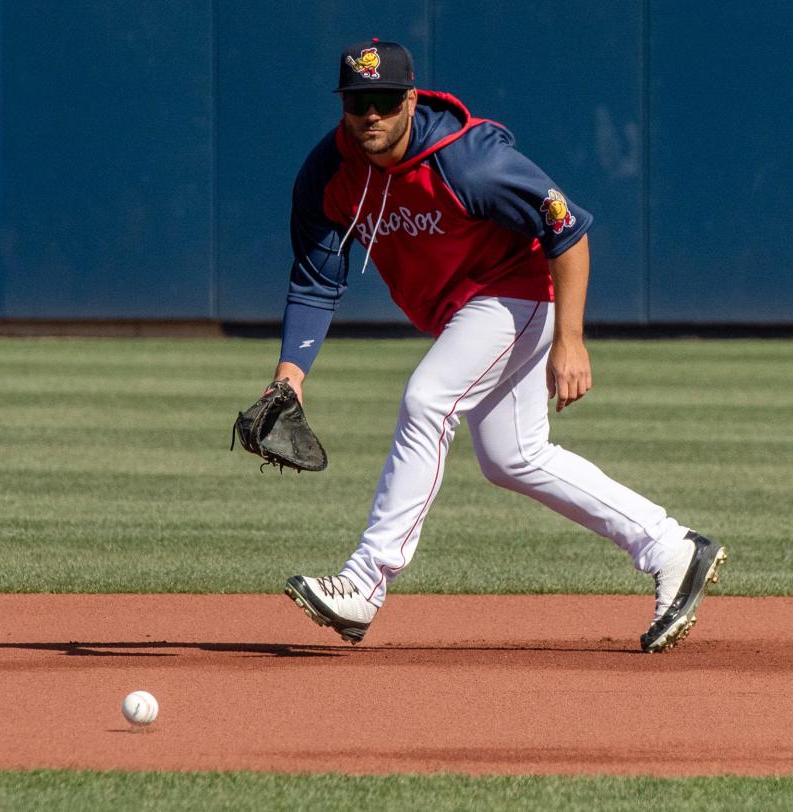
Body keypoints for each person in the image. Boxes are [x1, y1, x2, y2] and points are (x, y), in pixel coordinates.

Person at [277, 39, 726, 652]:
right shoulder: (330, 171)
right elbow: (316, 279)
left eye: (383, 100)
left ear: (410, 99)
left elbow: (567, 225)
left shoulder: (470, 163)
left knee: (428, 398)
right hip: (464, 312)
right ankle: (670, 547)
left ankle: (364, 582)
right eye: (358, 102)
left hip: (514, 294)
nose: (370, 116)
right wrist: (290, 376)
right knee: (513, 458)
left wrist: (571, 339)